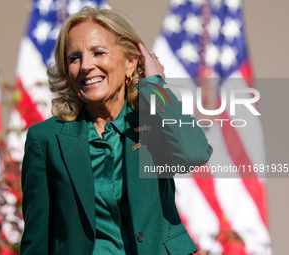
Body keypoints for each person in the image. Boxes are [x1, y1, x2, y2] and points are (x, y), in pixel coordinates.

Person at [20, 6, 212, 255]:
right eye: (74, 58)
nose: (86, 65)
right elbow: (37, 240)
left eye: (98, 52)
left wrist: (155, 86)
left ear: (131, 61)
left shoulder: (154, 123)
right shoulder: (46, 139)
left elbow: (196, 152)